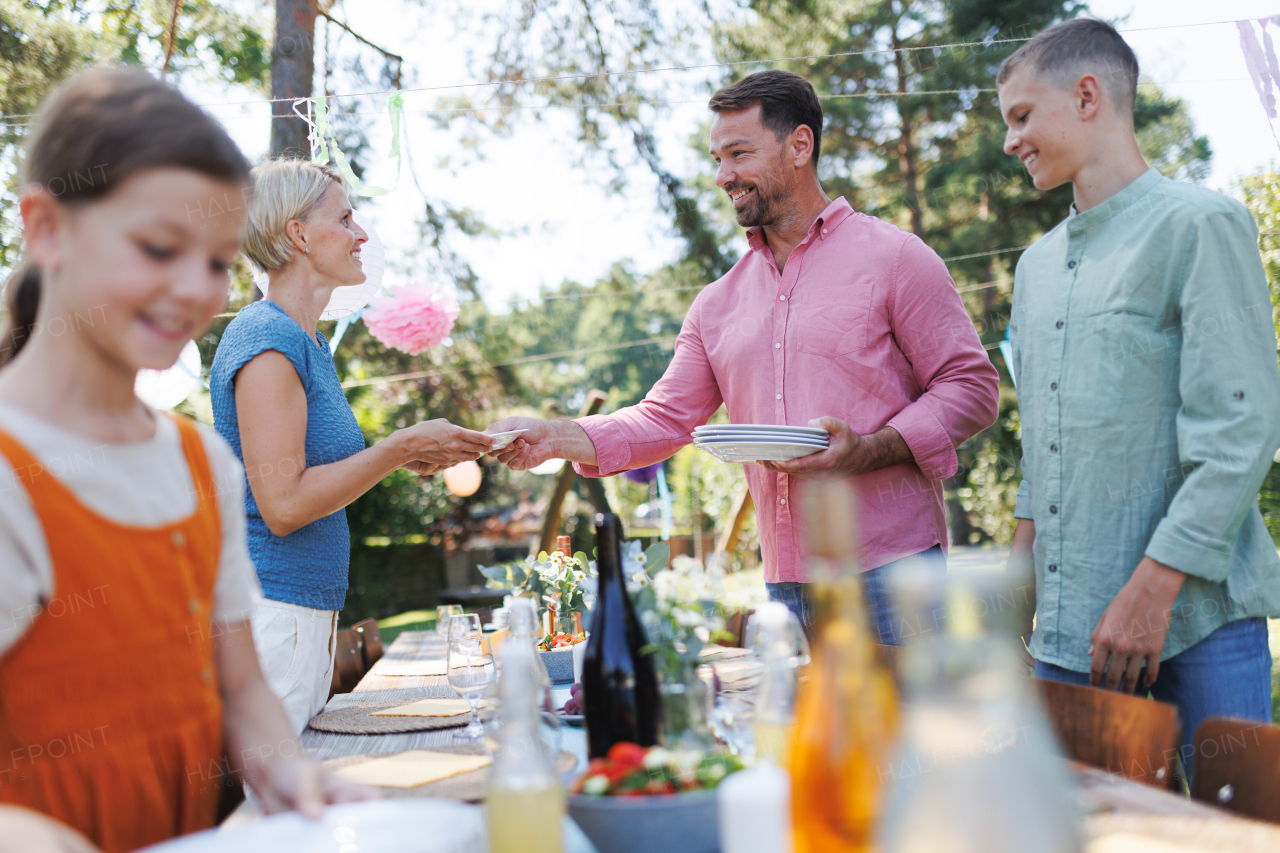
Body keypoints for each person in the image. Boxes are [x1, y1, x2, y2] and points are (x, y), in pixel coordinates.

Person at [0, 69, 372, 853]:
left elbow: (240, 688)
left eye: (213, 260)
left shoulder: (198, 460)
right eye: (158, 248)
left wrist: (293, 776)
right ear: (47, 229)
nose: (193, 290)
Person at [491, 71, 1000, 641]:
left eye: (738, 153)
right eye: (717, 158)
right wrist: (552, 438)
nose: (722, 176)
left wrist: (868, 451)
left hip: (894, 574)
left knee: (904, 734)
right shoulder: (716, 303)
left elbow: (971, 387)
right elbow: (664, 417)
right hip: (784, 584)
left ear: (800, 146)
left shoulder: (898, 258)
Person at [999, 18, 1280, 774]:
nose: (1009, 140)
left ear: (1087, 95)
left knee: (1242, 825)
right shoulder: (1036, 268)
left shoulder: (1200, 224)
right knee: (1087, 834)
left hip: (1200, 621)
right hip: (1066, 636)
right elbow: (1041, 447)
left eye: (1022, 115)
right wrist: (1014, 596)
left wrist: (1151, 592)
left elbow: (1241, 430)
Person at [210, 159, 494, 733]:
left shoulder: (307, 341)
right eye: (344, 217)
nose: (362, 234)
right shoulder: (267, 338)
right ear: (298, 234)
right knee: (279, 811)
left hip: (303, 615)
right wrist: (395, 447)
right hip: (273, 617)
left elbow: (316, 482)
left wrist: (401, 457)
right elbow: (284, 506)